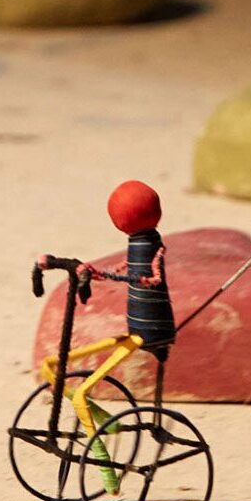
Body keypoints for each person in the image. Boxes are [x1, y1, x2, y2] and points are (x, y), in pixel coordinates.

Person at [37, 181, 175, 483]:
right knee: (51, 366)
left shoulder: (154, 248)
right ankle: (103, 420)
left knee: (80, 392)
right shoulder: (139, 245)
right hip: (136, 327)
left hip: (151, 330)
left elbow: (153, 278)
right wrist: (97, 272)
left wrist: (117, 277)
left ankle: (102, 455)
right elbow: (125, 266)